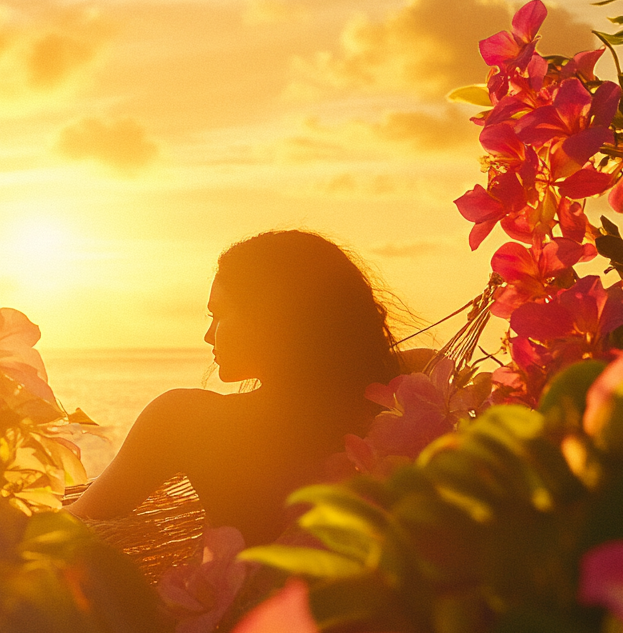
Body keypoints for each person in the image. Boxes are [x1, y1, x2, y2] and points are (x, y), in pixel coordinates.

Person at [66, 230, 404, 545]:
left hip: (255, 608)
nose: (208, 336)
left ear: (270, 318)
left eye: (218, 315)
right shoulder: (408, 388)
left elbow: (68, 527)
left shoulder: (185, 420)